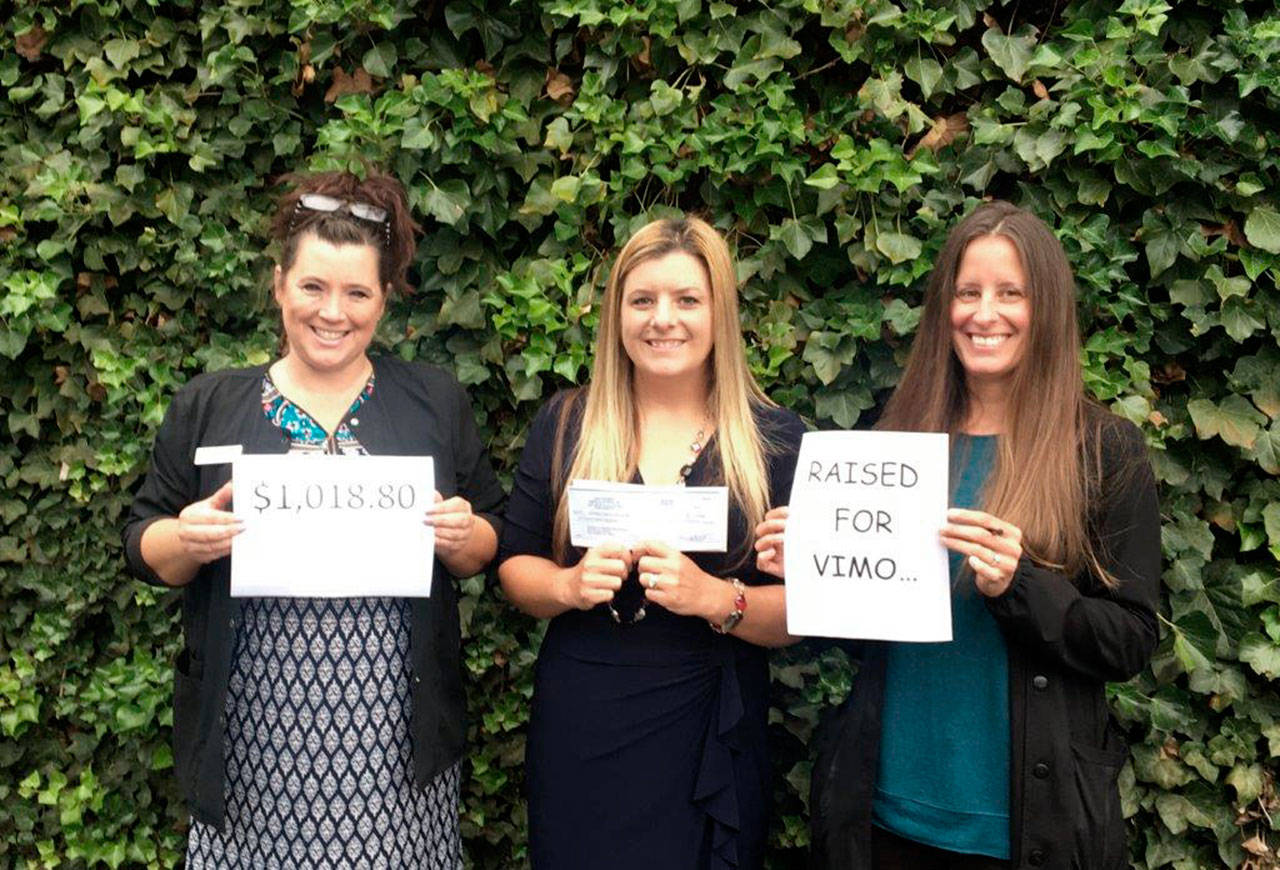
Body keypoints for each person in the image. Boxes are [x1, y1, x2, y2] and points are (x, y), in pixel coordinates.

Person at [755, 201, 1160, 870]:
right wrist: (811, 572)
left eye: (1010, 293)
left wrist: (1022, 585)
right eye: (967, 292)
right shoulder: (900, 442)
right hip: (886, 816)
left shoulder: (1103, 450)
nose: (984, 313)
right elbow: (866, 637)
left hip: (1027, 830)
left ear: (1048, 308)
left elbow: (1130, 641)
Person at [122, 169, 503, 869]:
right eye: (313, 287)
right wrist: (186, 538)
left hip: (395, 745)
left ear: (384, 301)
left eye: (357, 292)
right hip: (250, 745)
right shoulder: (210, 404)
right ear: (279, 285)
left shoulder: (433, 402)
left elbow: (490, 543)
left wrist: (462, 534)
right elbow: (142, 547)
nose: (334, 311)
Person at [497, 216, 806, 870]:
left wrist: (717, 597)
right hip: (587, 720)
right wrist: (567, 586)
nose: (663, 319)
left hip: (713, 726)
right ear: (616, 316)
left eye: (687, 300)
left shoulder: (774, 439)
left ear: (719, 312)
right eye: (642, 300)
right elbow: (514, 564)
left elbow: (805, 613)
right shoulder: (567, 423)